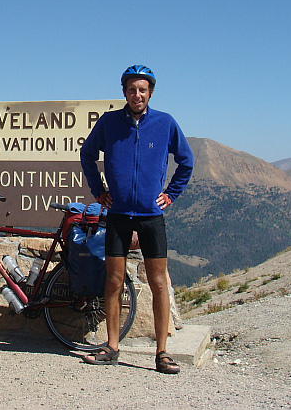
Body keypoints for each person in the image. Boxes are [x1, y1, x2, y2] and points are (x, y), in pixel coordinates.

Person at [79, 65, 194, 374]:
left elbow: (187, 161)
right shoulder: (109, 123)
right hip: (117, 215)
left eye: (142, 89)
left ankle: (162, 352)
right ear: (124, 93)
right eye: (132, 89)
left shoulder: (165, 123)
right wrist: (98, 190)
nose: (137, 94)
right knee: (114, 282)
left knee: (158, 283)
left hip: (151, 217)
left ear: (150, 92)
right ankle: (112, 346)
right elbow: (87, 154)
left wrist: (171, 194)